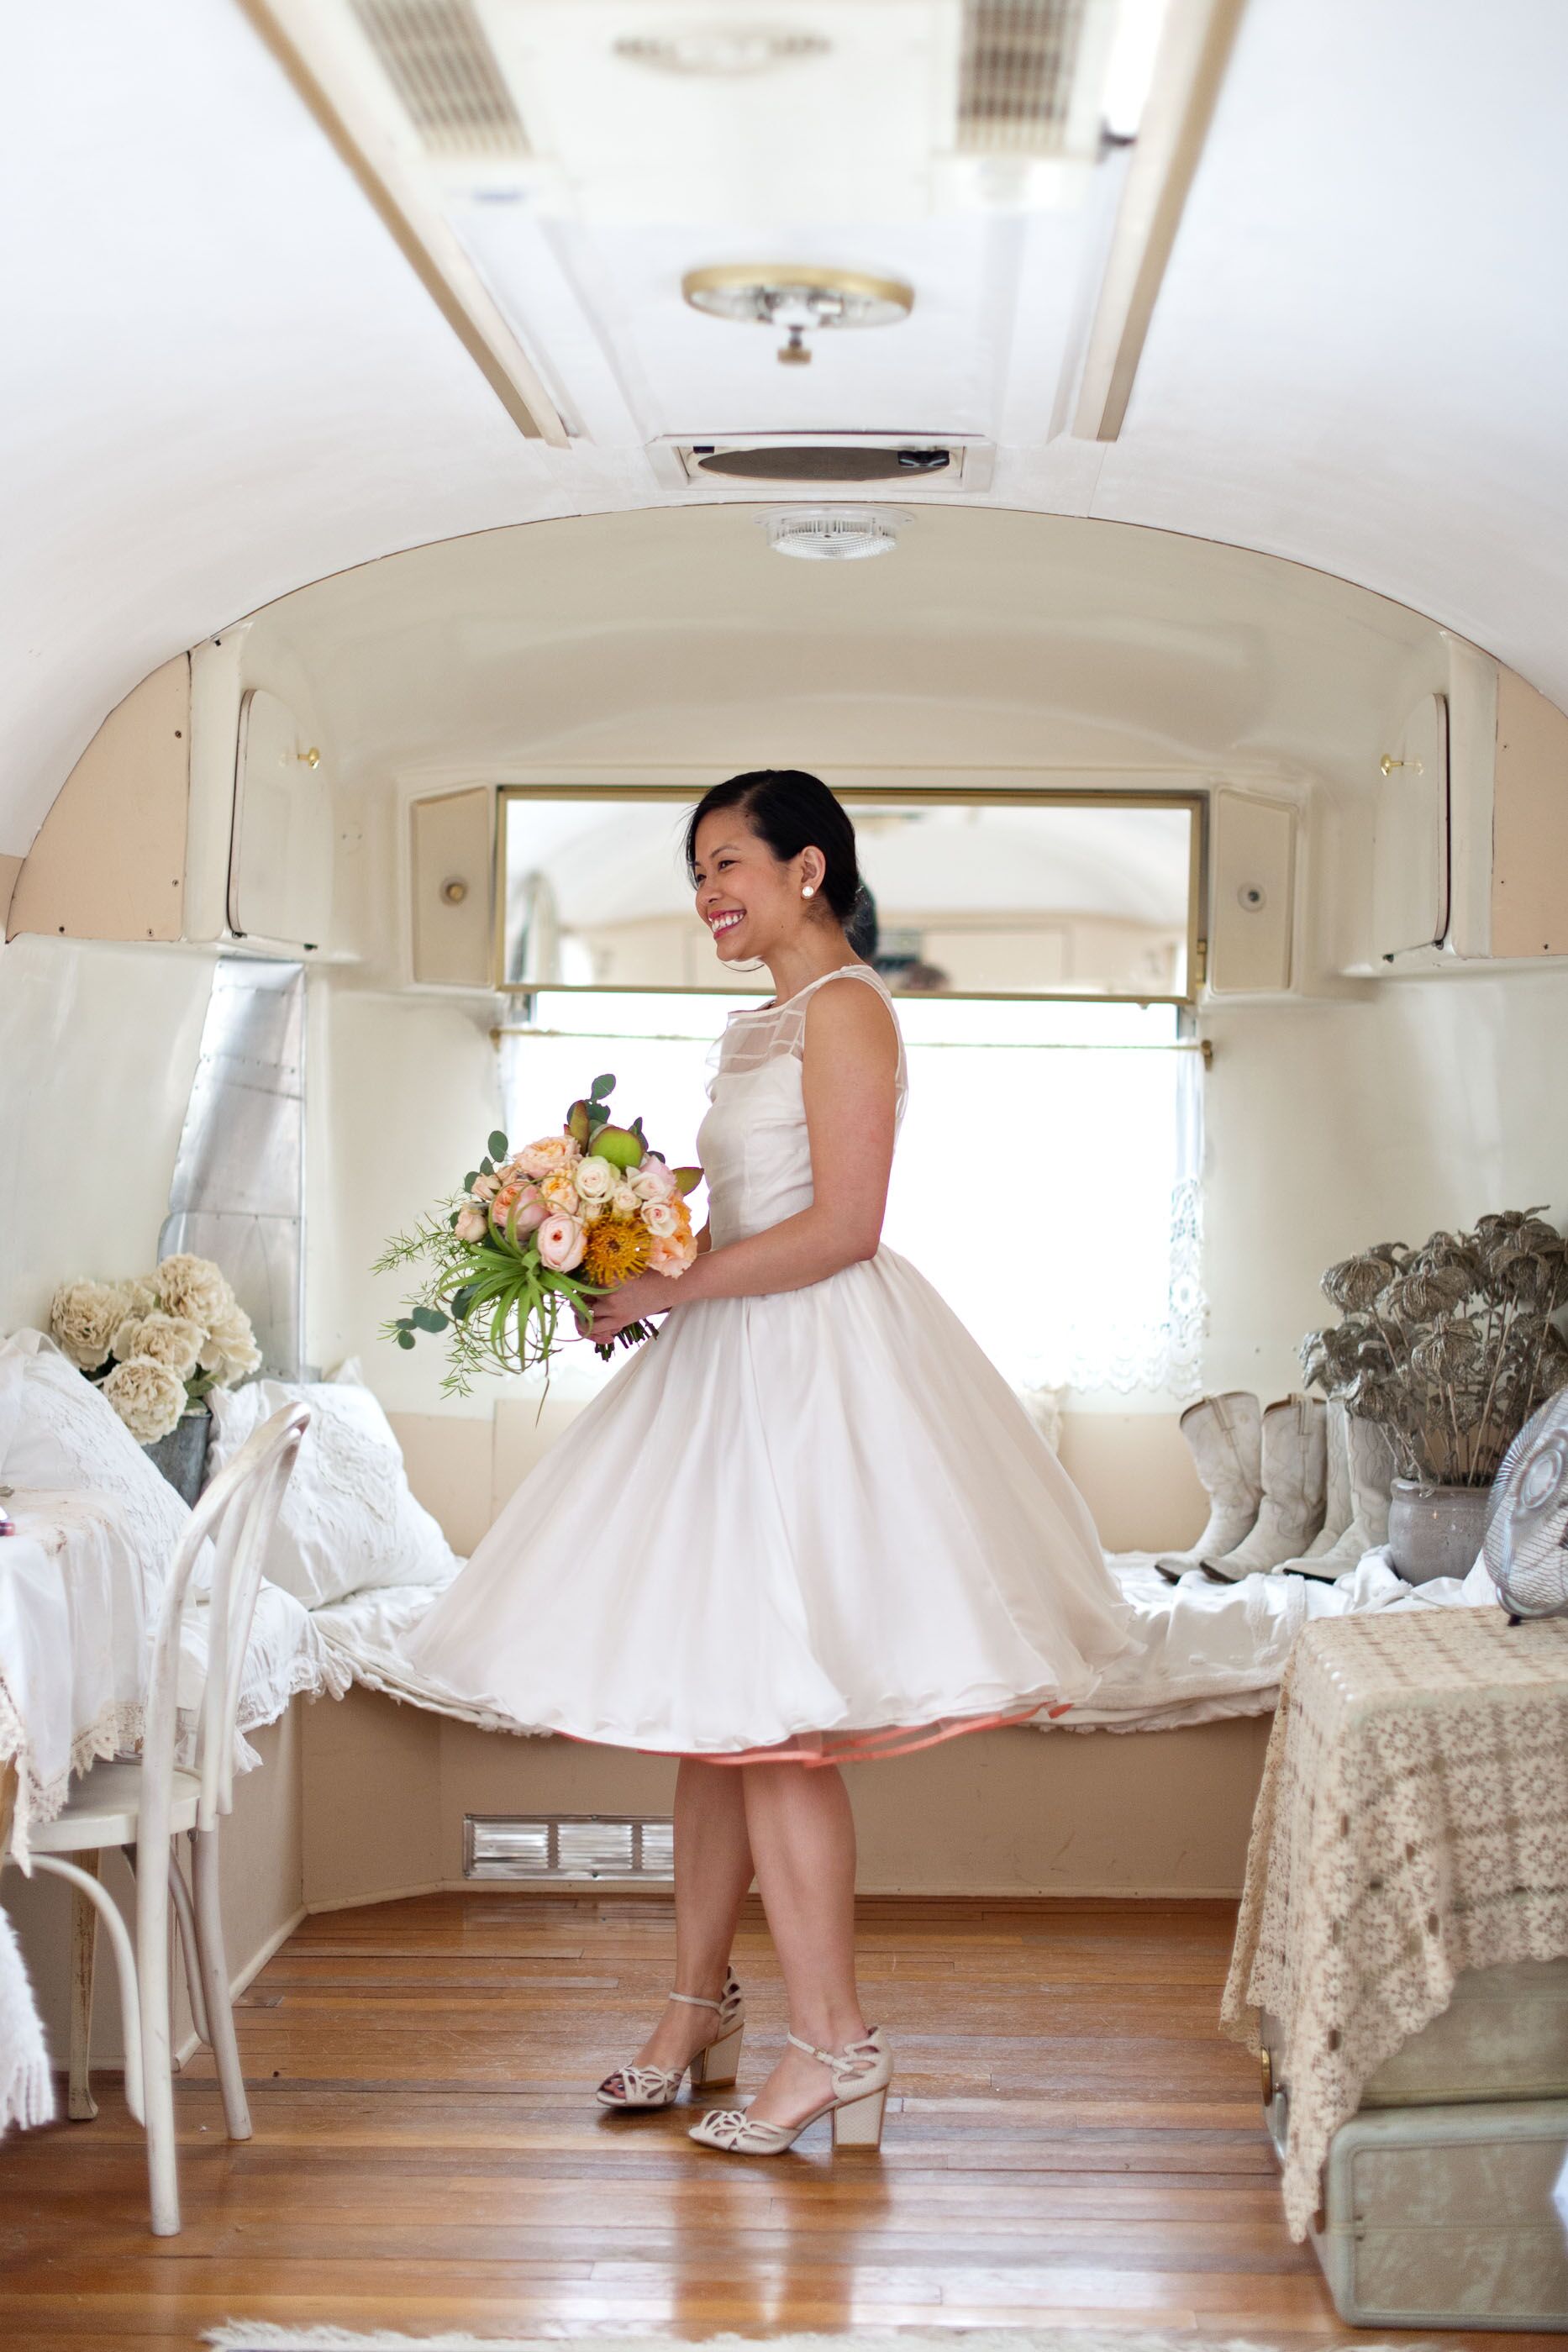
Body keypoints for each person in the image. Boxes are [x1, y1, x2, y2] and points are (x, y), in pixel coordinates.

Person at [400, 769, 1131, 2157]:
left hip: (811, 1375)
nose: (706, 897)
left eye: (727, 864)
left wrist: (676, 1286)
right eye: (695, 874)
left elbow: (845, 1228)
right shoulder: (759, 1023)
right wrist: (631, 1248)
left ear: (808, 869)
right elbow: (745, 1207)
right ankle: (694, 2010)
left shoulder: (849, 1010)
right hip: (728, 1365)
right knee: (711, 1719)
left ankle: (832, 2047)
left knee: (779, 1728)